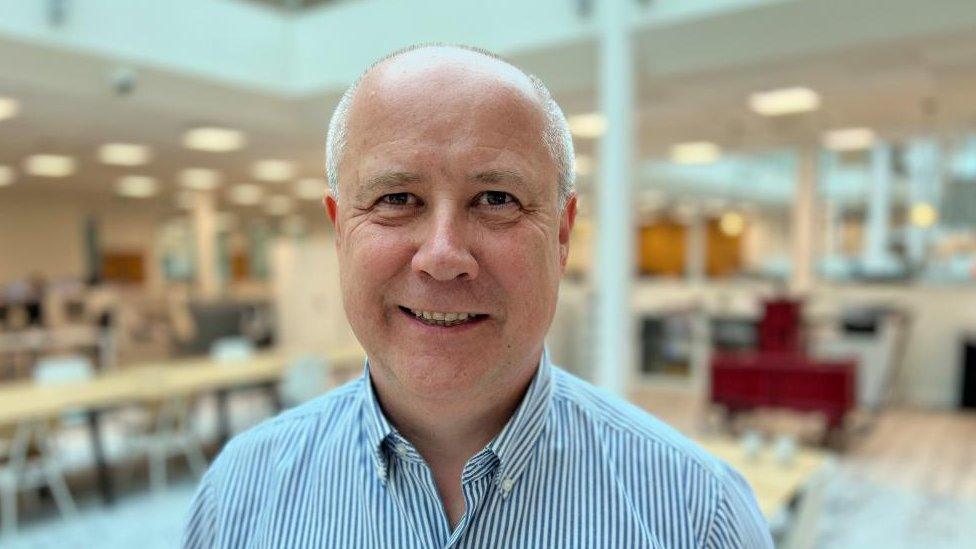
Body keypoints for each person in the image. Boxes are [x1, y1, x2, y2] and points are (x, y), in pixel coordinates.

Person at [182, 44, 772, 548]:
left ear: (562, 234)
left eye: (495, 199)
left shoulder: (698, 516)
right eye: (396, 199)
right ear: (340, 231)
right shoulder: (239, 495)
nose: (442, 256)